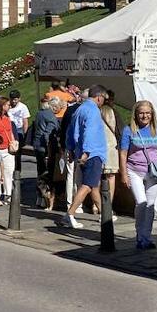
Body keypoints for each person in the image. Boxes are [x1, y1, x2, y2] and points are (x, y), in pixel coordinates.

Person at [118, 100, 157, 248]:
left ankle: (146, 237)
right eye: (141, 113)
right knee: (141, 202)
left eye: (147, 113)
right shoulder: (129, 130)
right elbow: (123, 153)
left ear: (152, 114)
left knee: (150, 205)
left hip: (153, 171)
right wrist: (124, 173)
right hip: (134, 170)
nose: (144, 116)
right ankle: (140, 234)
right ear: (136, 114)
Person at [62, 85, 110, 228]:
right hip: (92, 153)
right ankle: (70, 214)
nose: (103, 102)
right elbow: (90, 131)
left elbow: (70, 131)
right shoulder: (93, 111)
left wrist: (70, 148)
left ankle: (104, 213)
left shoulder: (79, 109)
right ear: (99, 97)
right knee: (88, 185)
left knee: (93, 185)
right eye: (104, 99)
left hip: (80, 151)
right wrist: (87, 151)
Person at [30, 98, 61, 210]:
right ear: (54, 107)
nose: (60, 109)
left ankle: (39, 197)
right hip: (45, 148)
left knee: (40, 172)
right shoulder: (51, 116)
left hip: (37, 145)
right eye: (59, 107)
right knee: (48, 175)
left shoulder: (39, 113)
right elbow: (48, 134)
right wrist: (49, 151)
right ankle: (47, 200)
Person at [99, 102, 121, 220]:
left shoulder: (97, 112)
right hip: (111, 146)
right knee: (111, 177)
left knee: (97, 178)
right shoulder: (113, 112)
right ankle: (108, 207)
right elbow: (119, 129)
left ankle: (96, 206)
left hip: (98, 146)